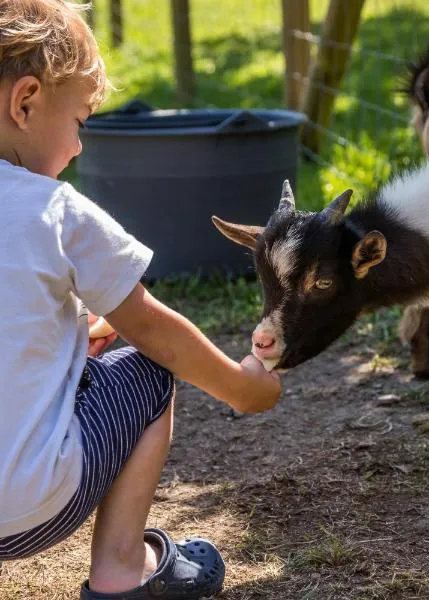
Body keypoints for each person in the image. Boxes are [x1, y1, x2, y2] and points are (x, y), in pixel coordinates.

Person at [0, 1, 282, 598]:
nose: (78, 148)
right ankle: (121, 571)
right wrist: (242, 387)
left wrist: (76, 336)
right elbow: (156, 332)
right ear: (25, 103)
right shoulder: (57, 213)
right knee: (149, 370)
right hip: (24, 509)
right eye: (79, 121)